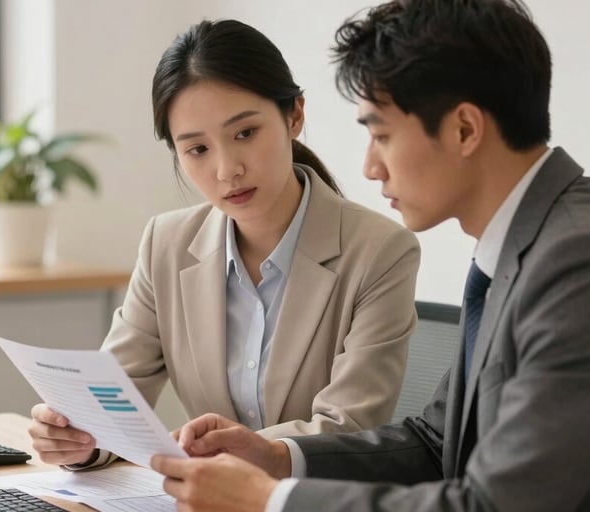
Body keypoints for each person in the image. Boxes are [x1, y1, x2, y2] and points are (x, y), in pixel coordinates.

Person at [149, 1, 590, 510]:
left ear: (465, 129)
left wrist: (272, 501)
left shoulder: (583, 263)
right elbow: (433, 443)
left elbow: (494, 506)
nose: (370, 167)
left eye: (381, 134)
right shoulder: (526, 245)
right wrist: (277, 457)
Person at [27, 19, 420, 468]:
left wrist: (237, 456)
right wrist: (79, 437)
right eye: (197, 149)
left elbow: (348, 427)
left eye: (245, 133)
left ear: (294, 115)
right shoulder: (167, 245)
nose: (226, 170)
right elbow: (112, 403)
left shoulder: (381, 251)